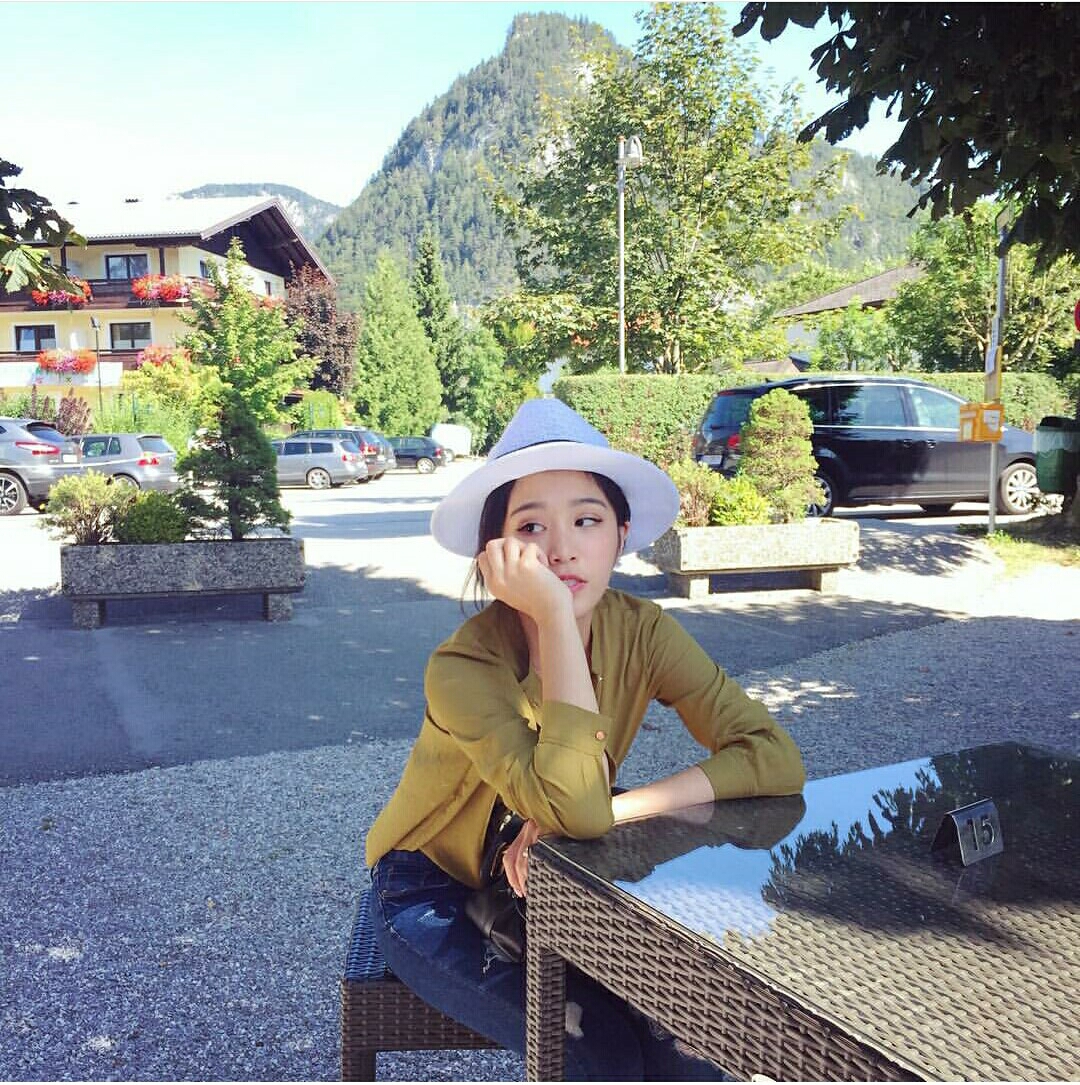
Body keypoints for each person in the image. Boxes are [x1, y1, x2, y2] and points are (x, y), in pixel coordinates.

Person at [365, 398, 805, 1080]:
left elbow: (773, 756)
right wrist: (553, 616)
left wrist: (619, 808)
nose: (562, 548)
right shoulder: (462, 667)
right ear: (495, 554)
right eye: (531, 526)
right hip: (432, 888)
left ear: (621, 535)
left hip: (563, 863)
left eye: (587, 520)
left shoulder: (644, 632)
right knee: (597, 1053)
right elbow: (576, 803)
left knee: (692, 1032)